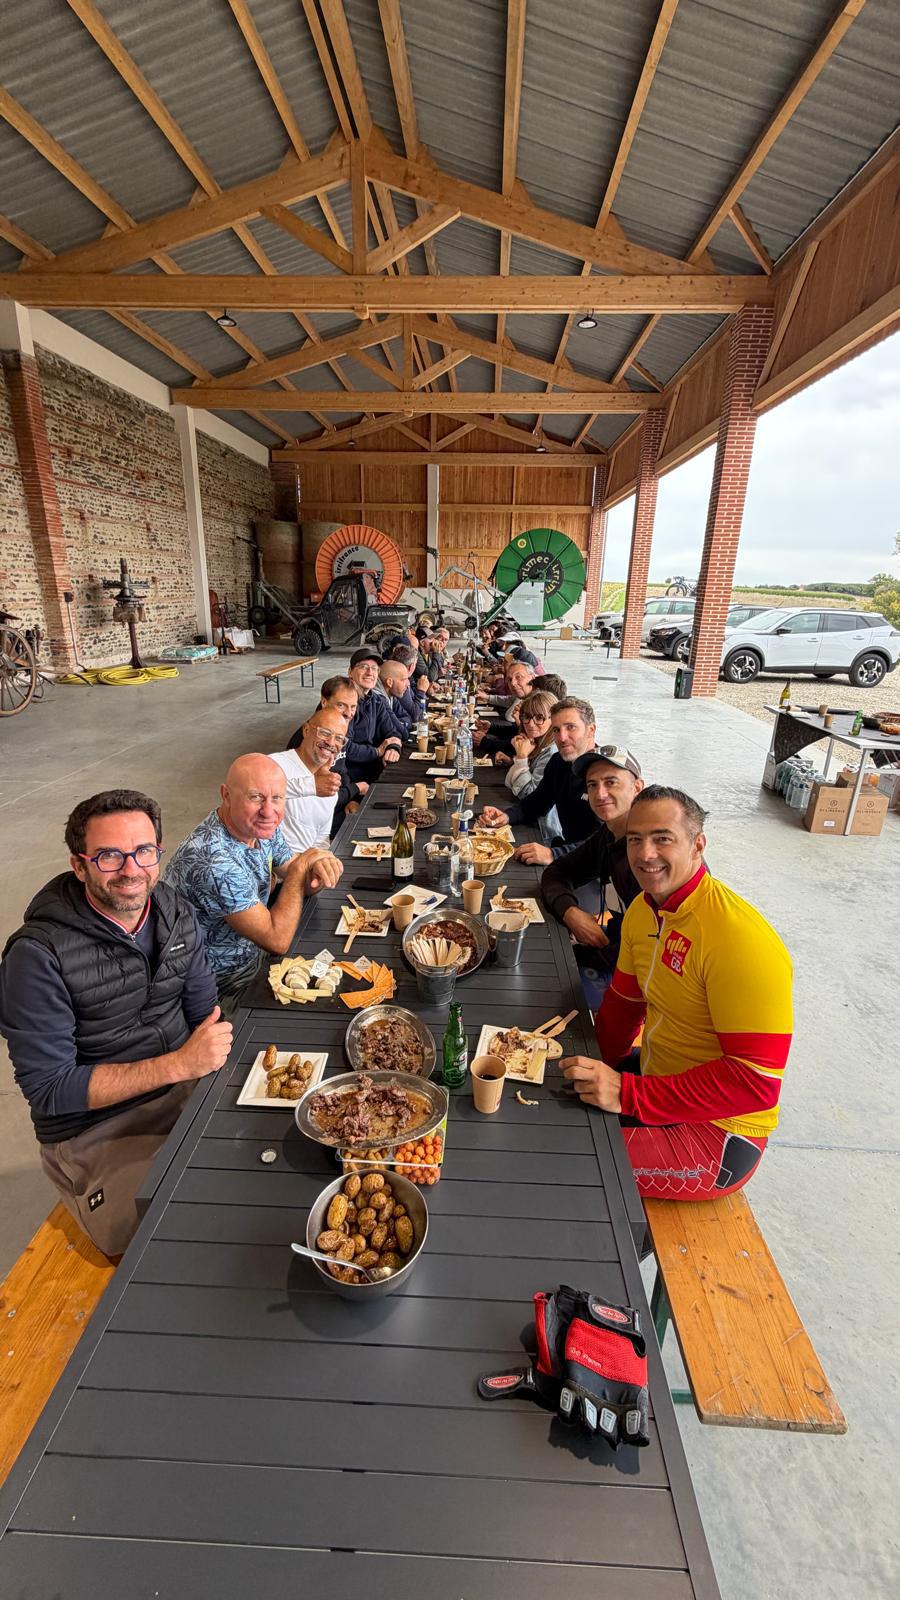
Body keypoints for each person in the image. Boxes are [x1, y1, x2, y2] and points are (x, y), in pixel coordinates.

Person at [0, 789, 231, 1256]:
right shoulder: (36, 956)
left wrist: (199, 1070)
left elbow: (204, 1011)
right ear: (79, 864)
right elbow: (50, 1089)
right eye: (109, 856)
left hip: (185, 1089)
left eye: (144, 851)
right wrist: (178, 1066)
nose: (131, 870)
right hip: (98, 1130)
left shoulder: (173, 910)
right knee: (170, 1236)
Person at [561, 786, 793, 1201]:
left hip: (719, 1135)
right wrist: (602, 1065)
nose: (645, 853)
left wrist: (626, 1092)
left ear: (698, 844)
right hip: (659, 1076)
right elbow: (622, 1007)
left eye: (662, 838)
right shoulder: (643, 910)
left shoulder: (739, 939)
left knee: (572, 1159)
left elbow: (756, 1084)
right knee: (551, 1090)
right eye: (635, 839)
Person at [165, 754, 343, 1012]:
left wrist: (319, 869)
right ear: (226, 795)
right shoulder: (213, 861)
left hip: (252, 956)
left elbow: (297, 874)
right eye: (255, 797)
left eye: (277, 798)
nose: (269, 811)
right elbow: (276, 940)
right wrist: (302, 869)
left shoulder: (259, 826)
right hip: (220, 982)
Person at [541, 747, 644, 993]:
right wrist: (571, 912)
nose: (601, 793)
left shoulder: (647, 855)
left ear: (637, 787)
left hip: (638, 973)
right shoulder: (609, 834)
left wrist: (590, 957)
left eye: (611, 782)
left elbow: (650, 946)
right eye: (592, 785)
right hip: (614, 945)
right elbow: (557, 872)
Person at [479, 697, 599, 863]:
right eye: (556, 730)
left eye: (571, 727)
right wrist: (507, 816)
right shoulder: (559, 761)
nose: (562, 737)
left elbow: (603, 844)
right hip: (567, 853)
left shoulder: (603, 776)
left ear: (591, 730)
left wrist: (553, 854)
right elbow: (536, 804)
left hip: (592, 866)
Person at [269, 708, 348, 854]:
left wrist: (322, 863)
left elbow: (321, 839)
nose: (331, 742)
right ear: (306, 730)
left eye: (339, 738)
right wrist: (311, 785)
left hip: (306, 867)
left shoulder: (329, 787)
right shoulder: (275, 763)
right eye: (324, 733)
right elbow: (258, 793)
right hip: (273, 867)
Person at [341, 647, 405, 784]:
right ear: (350, 672)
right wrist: (377, 751)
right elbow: (343, 747)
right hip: (349, 777)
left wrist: (393, 747)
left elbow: (393, 733)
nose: (370, 672)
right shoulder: (342, 703)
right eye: (364, 667)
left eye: (375, 668)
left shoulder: (376, 701)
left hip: (372, 771)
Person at [501, 688, 559, 792]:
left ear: (553, 719)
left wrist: (521, 759)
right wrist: (514, 761)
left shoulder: (551, 753)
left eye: (540, 717)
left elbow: (530, 795)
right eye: (527, 716)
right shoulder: (536, 742)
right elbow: (510, 783)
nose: (531, 724)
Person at [376, 658, 427, 737]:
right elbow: (403, 733)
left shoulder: (391, 693)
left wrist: (399, 723)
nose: (407, 684)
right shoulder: (378, 699)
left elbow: (408, 717)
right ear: (390, 682)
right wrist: (400, 724)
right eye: (403, 680)